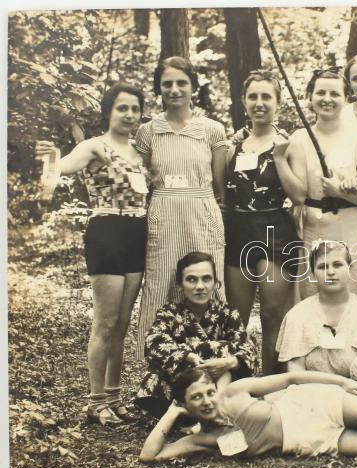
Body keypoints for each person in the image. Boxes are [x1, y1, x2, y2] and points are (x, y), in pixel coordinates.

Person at [35, 83, 149, 425]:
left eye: (134, 108)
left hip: (137, 234)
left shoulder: (140, 151)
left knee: (123, 324)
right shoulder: (94, 146)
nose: (129, 114)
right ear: (109, 111)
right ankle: (96, 402)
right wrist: (50, 159)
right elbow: (62, 167)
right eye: (122, 108)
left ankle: (114, 397)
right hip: (106, 232)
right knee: (105, 322)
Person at [139, 368, 357, 463]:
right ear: (186, 404)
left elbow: (291, 378)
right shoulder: (202, 439)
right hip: (309, 439)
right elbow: (150, 456)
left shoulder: (234, 392)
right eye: (196, 398)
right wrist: (171, 413)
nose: (207, 401)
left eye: (209, 391)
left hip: (313, 404)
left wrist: (341, 382)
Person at [134, 56, 228, 360]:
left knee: (206, 282)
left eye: (181, 83)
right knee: (161, 284)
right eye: (167, 84)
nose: (174, 90)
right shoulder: (148, 131)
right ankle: (159, 363)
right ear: (159, 88)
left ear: (193, 86)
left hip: (202, 213)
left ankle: (212, 360)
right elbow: (138, 181)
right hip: (163, 213)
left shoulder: (212, 130)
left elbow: (221, 186)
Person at [223, 70, 304, 376]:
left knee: (272, 314)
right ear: (243, 101)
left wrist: (280, 159)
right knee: (236, 317)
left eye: (266, 97)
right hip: (239, 230)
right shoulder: (232, 147)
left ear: (278, 102)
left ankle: (271, 381)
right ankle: (238, 381)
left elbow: (299, 195)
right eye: (253, 96)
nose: (259, 103)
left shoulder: (287, 145)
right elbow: (223, 194)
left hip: (274, 230)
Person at [275, 240, 357, 412]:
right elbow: (295, 372)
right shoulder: (298, 315)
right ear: (312, 273)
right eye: (323, 267)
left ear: (350, 269)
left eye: (338, 265)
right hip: (315, 398)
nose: (331, 272)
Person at [286, 68, 357, 298]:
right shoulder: (299, 139)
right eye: (320, 93)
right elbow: (299, 192)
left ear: (346, 99)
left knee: (350, 293)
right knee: (312, 293)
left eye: (335, 94)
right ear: (310, 97)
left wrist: (343, 192)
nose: (327, 99)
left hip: (351, 226)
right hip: (313, 227)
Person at [135, 252, 257, 418]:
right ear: (180, 285)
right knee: (164, 369)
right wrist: (188, 356)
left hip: (219, 384)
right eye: (191, 279)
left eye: (206, 279)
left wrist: (229, 362)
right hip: (182, 388)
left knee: (231, 367)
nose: (200, 286)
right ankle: (205, 415)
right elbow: (154, 343)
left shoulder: (228, 313)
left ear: (216, 283)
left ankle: (216, 411)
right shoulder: (169, 313)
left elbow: (248, 348)